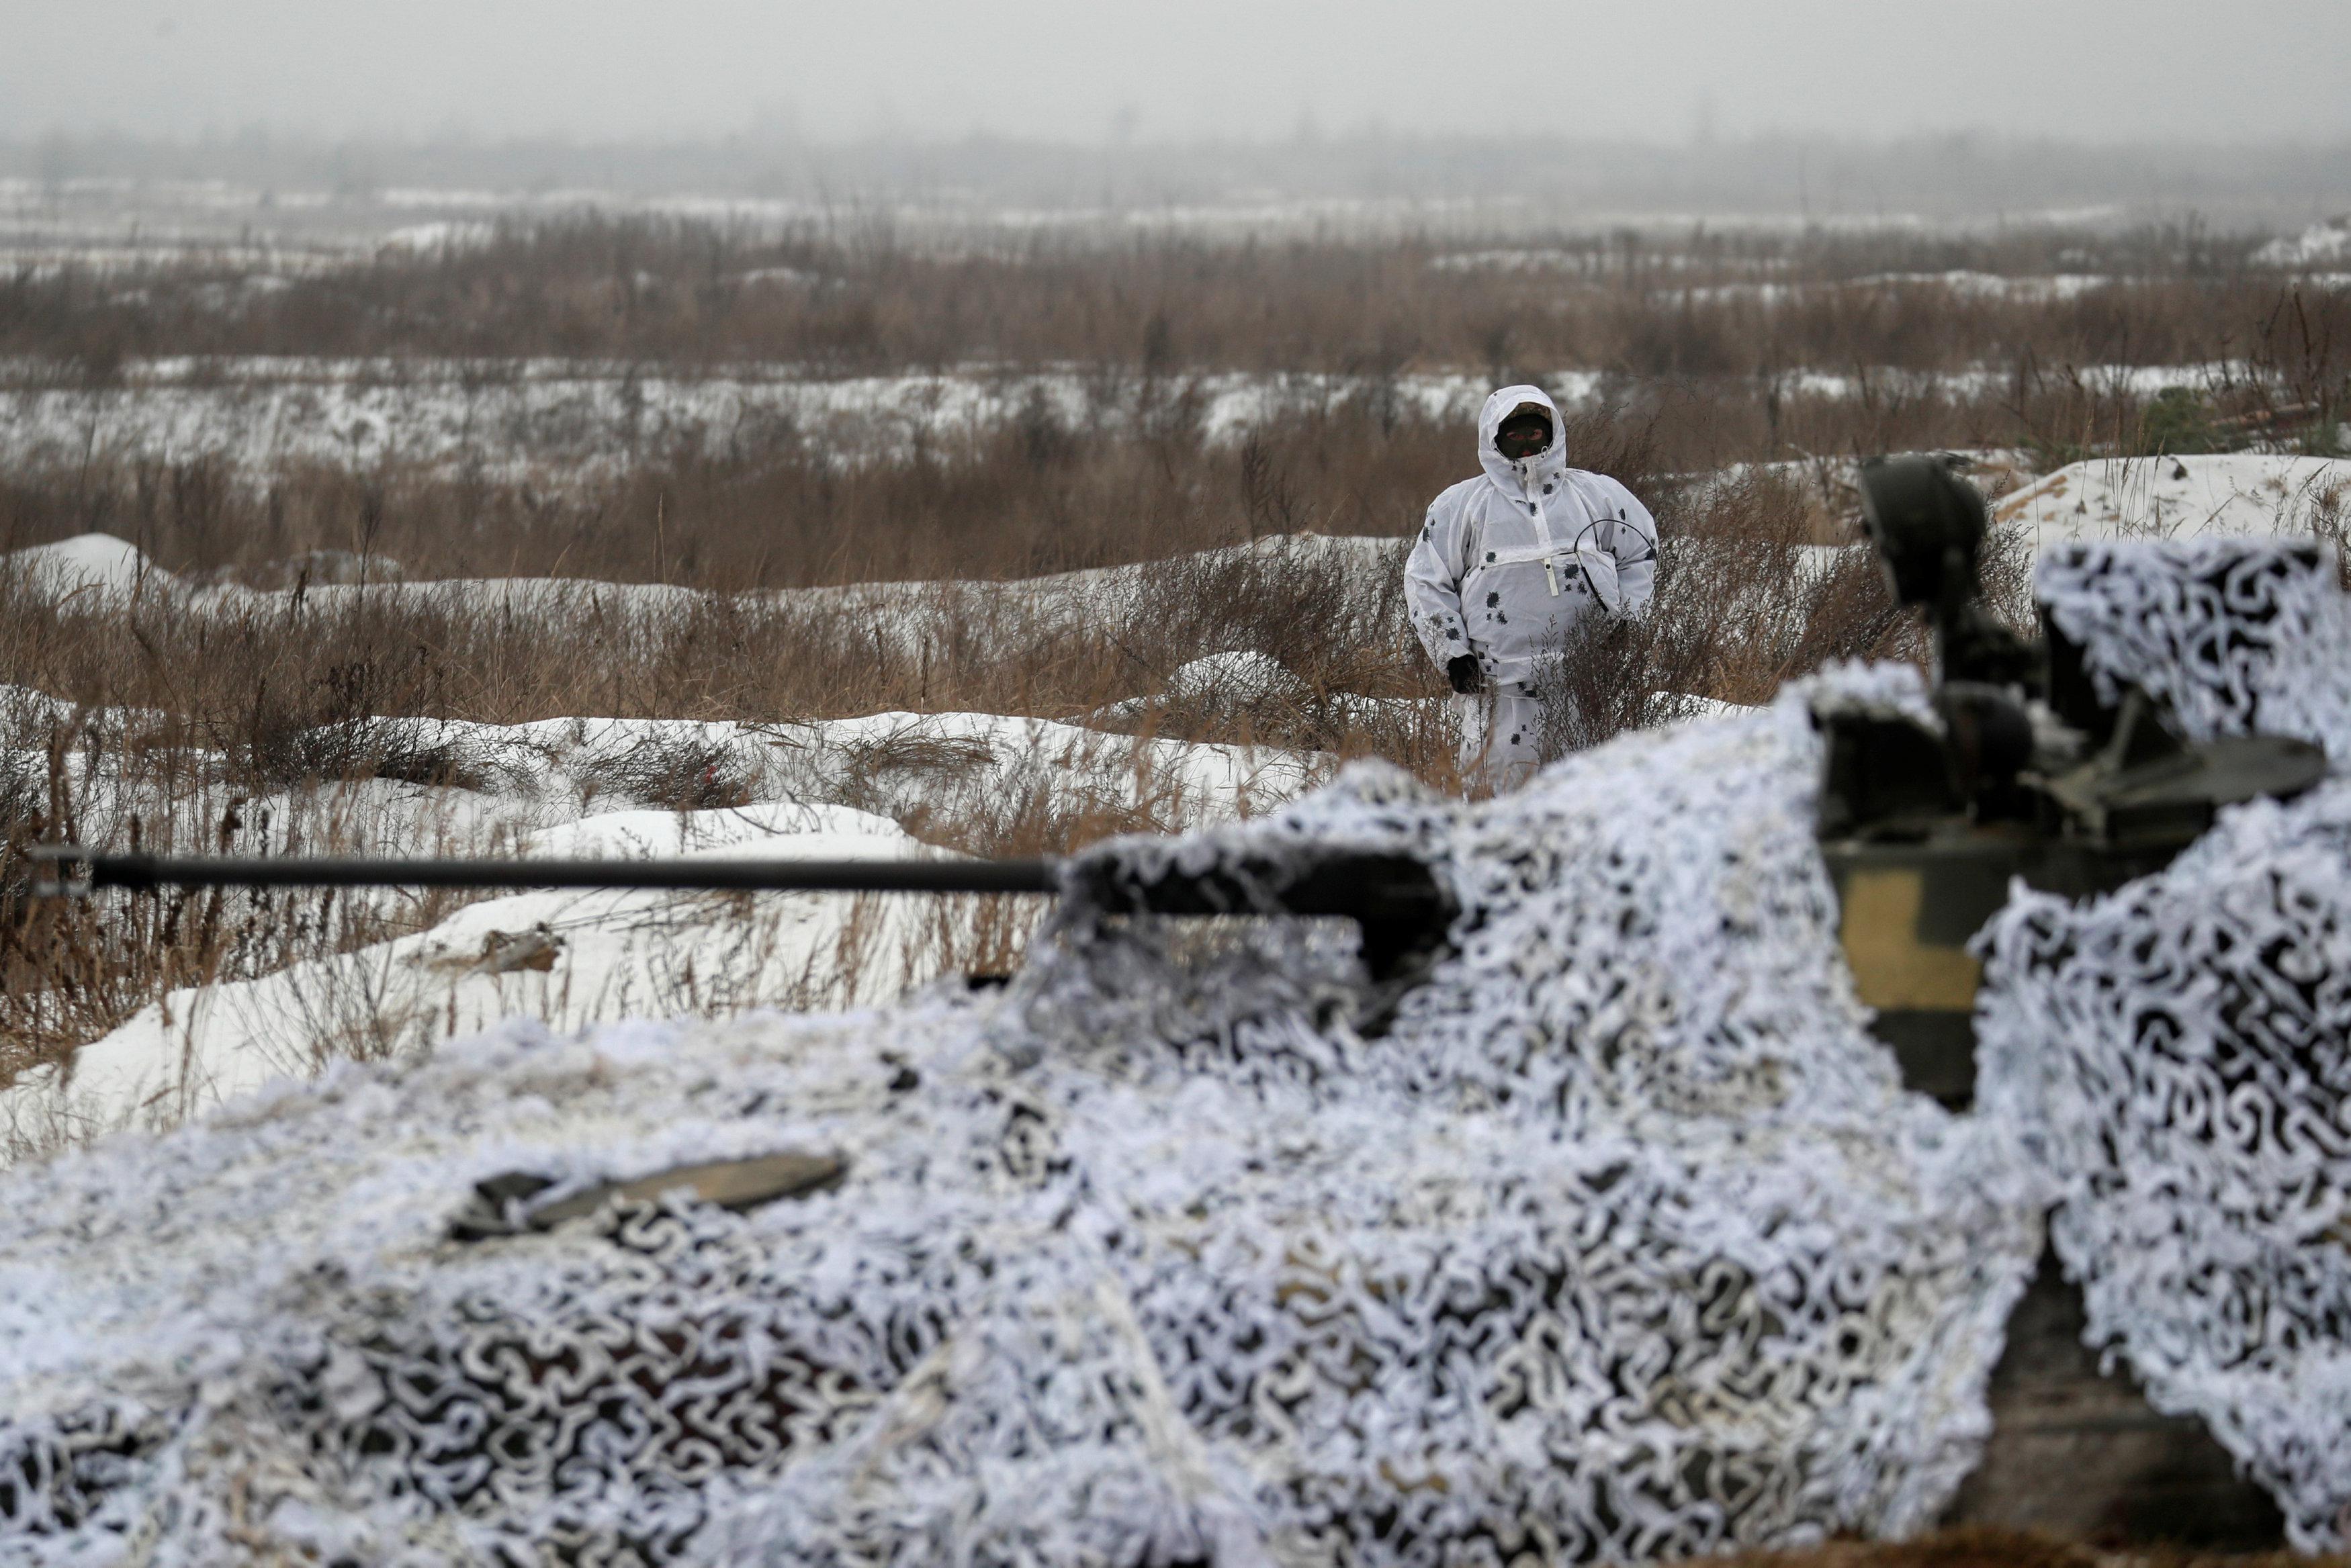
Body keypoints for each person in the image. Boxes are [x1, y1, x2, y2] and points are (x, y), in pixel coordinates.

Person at [1405, 385, 1658, 793]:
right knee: (1499, 806)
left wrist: (1627, 620)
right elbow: (1426, 581)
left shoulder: (1599, 495)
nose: (1526, 445)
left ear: (1552, 434)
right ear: (1494, 440)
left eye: (1535, 434)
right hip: (1498, 691)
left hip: (1585, 685)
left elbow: (1641, 554)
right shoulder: (1460, 506)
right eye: (1514, 436)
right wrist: (1452, 655)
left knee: (1590, 803)